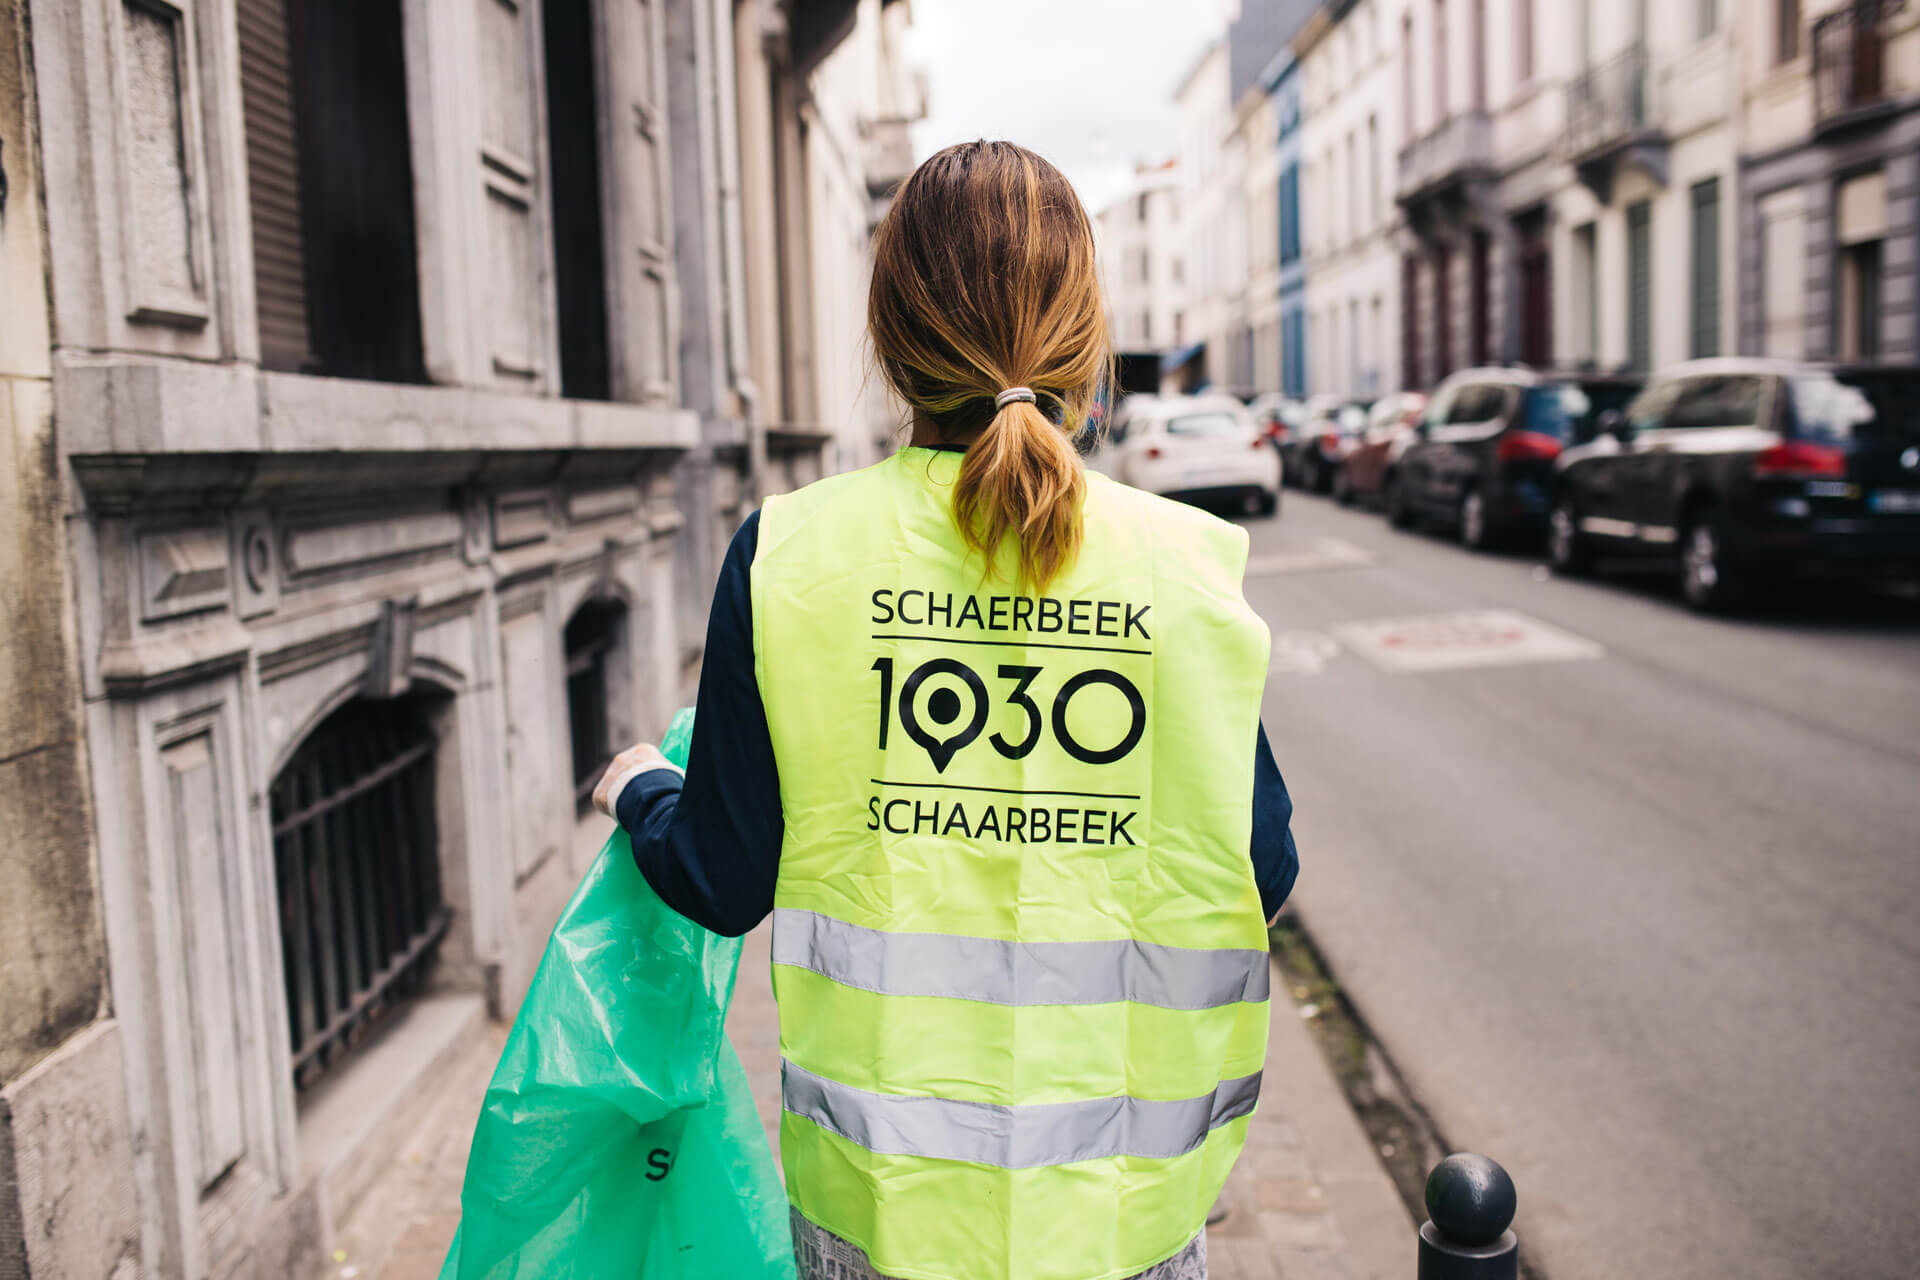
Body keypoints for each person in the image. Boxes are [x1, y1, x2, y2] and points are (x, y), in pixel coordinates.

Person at [594, 140, 1298, 1280]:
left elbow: (724, 877)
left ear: (890, 336)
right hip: (1124, 1213)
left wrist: (642, 791)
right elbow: (1258, 869)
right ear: (1085, 337)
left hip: (882, 1213)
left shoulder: (788, 555)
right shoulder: (1185, 568)